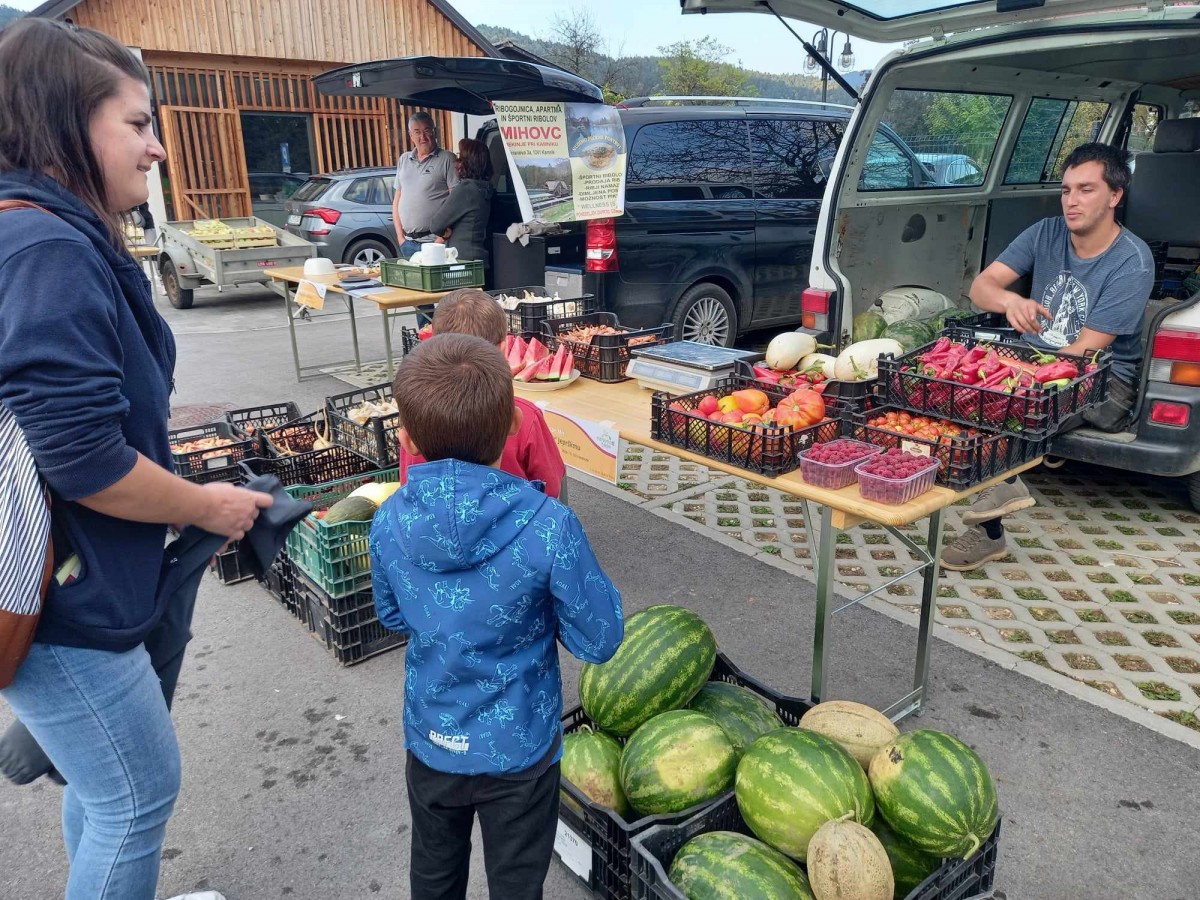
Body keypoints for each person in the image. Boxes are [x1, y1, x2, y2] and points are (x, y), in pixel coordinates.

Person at [0, 19, 272, 900]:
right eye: (137, 123)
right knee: (137, 795)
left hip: (69, 587)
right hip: (63, 603)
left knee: (105, 785)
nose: (158, 147)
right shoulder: (45, 248)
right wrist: (206, 505)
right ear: (61, 126)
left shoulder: (41, 232)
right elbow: (83, 460)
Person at [370, 333, 623, 900]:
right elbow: (601, 638)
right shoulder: (550, 526)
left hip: (434, 738)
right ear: (512, 422)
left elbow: (390, 614)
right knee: (516, 884)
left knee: (434, 875)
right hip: (521, 747)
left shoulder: (387, 522)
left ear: (406, 438)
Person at [942, 143, 1153, 572]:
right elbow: (981, 287)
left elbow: (1081, 353)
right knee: (964, 387)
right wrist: (1008, 302)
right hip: (1040, 360)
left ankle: (991, 516)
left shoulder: (1132, 261)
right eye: (1066, 190)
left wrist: (1015, 379)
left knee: (1010, 402)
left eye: (1086, 190)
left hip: (1104, 379)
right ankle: (997, 496)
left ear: (1115, 195)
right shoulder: (1045, 233)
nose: (1071, 201)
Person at [399, 288, 566, 499]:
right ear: (503, 348)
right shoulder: (527, 416)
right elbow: (550, 488)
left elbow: (407, 485)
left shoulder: (416, 414)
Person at [393, 110, 458, 326]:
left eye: (427, 131)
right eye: (417, 132)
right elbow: (397, 199)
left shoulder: (447, 159)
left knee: (445, 301)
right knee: (421, 303)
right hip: (409, 244)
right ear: (410, 135)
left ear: (435, 132)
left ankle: (443, 346)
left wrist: (440, 242)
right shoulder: (404, 159)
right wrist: (400, 237)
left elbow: (454, 200)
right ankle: (426, 346)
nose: (423, 137)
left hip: (434, 243)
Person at [430, 138, 496, 270]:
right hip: (480, 259)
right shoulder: (486, 188)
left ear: (468, 163)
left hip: (462, 262)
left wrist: (444, 233)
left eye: (460, 157)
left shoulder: (465, 189)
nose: (456, 162)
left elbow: (436, 225)